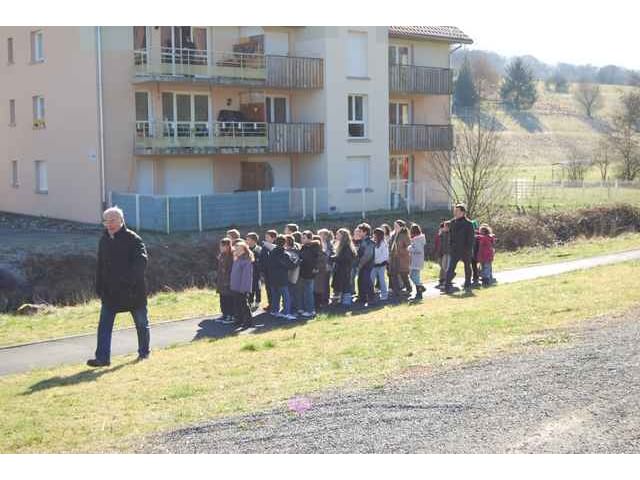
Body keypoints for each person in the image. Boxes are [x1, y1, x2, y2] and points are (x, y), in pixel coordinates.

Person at [87, 207, 150, 367]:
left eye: (113, 220)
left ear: (121, 220)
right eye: (106, 221)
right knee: (104, 327)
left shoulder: (134, 239)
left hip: (133, 292)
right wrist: (99, 287)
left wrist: (127, 281)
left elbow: (141, 263)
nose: (109, 224)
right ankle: (102, 358)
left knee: (141, 324)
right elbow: (100, 266)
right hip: (110, 293)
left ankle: (144, 353)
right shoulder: (104, 240)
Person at [444, 203, 476, 293]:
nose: (455, 212)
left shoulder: (468, 224)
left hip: (465, 250)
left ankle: (468, 283)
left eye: (457, 211)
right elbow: (450, 236)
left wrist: (469, 249)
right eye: (454, 211)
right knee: (451, 267)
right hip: (455, 249)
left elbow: (471, 238)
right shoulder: (452, 222)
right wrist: (451, 246)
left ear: (463, 212)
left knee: (467, 266)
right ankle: (447, 285)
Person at [267, 234, 297, 320]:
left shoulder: (271, 252)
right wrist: (297, 262)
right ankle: (286, 312)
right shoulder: (284, 254)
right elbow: (291, 266)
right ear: (285, 243)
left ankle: (274, 311)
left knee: (275, 296)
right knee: (286, 296)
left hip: (272, 278)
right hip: (282, 278)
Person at [230, 241, 254, 329]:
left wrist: (244, 288)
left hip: (242, 288)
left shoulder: (246, 261)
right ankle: (239, 319)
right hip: (235, 287)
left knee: (244, 305)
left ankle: (248, 321)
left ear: (244, 250)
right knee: (237, 304)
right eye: (236, 249)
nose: (237, 251)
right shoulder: (237, 259)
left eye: (239, 249)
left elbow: (246, 277)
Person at [331, 228, 357, 306]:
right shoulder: (341, 245)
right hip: (340, 269)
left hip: (344, 269)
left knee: (345, 285)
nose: (336, 236)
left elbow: (344, 258)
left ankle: (346, 302)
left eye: (338, 234)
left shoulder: (346, 247)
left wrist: (333, 258)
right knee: (340, 285)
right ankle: (340, 301)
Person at [299, 230, 321, 317]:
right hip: (304, 272)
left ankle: (310, 310)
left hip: (309, 273)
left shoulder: (313, 247)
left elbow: (313, 260)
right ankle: (306, 309)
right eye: (302, 238)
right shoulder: (304, 247)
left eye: (304, 238)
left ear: (310, 238)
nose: (302, 239)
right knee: (305, 292)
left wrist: (315, 268)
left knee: (308, 292)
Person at [355, 223, 375, 305]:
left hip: (367, 265)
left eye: (360, 231)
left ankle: (371, 298)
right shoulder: (362, 241)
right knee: (360, 281)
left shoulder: (369, 242)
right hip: (362, 265)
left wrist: (359, 265)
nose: (358, 233)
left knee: (366, 281)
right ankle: (362, 298)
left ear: (365, 232)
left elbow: (367, 256)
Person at [216, 237, 235, 324]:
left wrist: (228, 281)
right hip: (221, 281)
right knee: (222, 298)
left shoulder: (231, 255)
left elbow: (231, 270)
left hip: (228, 282)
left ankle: (230, 316)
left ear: (227, 246)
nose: (220, 247)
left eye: (222, 246)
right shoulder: (222, 255)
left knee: (229, 299)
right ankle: (224, 314)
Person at [390, 224, 411, 299]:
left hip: (402, 258)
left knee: (404, 275)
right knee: (393, 274)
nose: (395, 228)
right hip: (394, 258)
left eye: (397, 226)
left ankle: (409, 288)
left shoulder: (404, 236)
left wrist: (400, 251)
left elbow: (409, 247)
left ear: (401, 227)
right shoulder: (393, 235)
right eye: (394, 226)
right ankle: (396, 291)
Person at [315, 229, 334, 308]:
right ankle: (321, 298)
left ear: (326, 235)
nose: (320, 236)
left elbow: (330, 254)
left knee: (326, 283)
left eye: (321, 234)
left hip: (327, 266)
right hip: (322, 266)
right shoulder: (318, 244)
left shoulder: (329, 244)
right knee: (321, 283)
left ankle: (326, 298)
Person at [259, 229, 278, 312]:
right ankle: (270, 304)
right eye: (265, 237)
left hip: (274, 272)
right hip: (266, 271)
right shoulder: (264, 247)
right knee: (268, 289)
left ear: (273, 238)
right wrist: (262, 270)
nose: (266, 238)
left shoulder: (276, 247)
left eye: (268, 237)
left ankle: (275, 305)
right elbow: (262, 258)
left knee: (275, 289)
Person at [285, 234, 302, 315]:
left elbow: (293, 265)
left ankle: (293, 309)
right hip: (291, 276)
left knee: (292, 293)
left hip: (292, 276)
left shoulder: (292, 252)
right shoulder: (293, 251)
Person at [408, 223, 426, 301]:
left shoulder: (416, 239)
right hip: (417, 260)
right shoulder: (419, 238)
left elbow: (418, 250)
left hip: (416, 260)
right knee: (415, 276)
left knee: (413, 276)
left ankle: (420, 289)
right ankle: (420, 290)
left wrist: (409, 248)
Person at [245, 232, 262, 311]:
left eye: (248, 239)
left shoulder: (259, 249)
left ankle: (258, 302)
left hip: (256, 272)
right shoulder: (245, 249)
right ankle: (250, 302)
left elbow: (261, 261)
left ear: (254, 240)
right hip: (247, 272)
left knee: (257, 288)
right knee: (250, 288)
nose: (246, 241)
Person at [371, 227, 389, 301]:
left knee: (382, 280)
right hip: (373, 265)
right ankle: (370, 294)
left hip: (381, 265)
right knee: (371, 279)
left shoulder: (383, 243)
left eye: (375, 234)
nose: (373, 235)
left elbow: (385, 255)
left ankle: (384, 295)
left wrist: (378, 261)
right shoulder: (372, 242)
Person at [434, 221, 451, 289]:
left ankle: (446, 282)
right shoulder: (442, 234)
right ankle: (444, 280)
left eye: (445, 226)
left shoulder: (451, 233)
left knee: (447, 267)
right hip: (444, 253)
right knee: (444, 267)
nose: (444, 228)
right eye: (444, 226)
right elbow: (440, 244)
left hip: (449, 253)